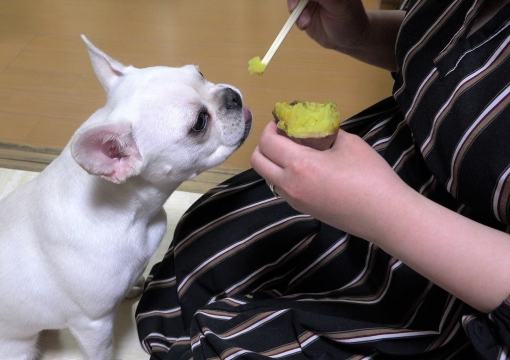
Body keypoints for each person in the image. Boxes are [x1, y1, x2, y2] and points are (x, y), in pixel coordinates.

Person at [135, 0, 510, 358]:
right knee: (194, 246)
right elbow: (452, 55)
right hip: (396, 155)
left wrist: (384, 210)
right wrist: (358, 33)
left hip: (463, 278)